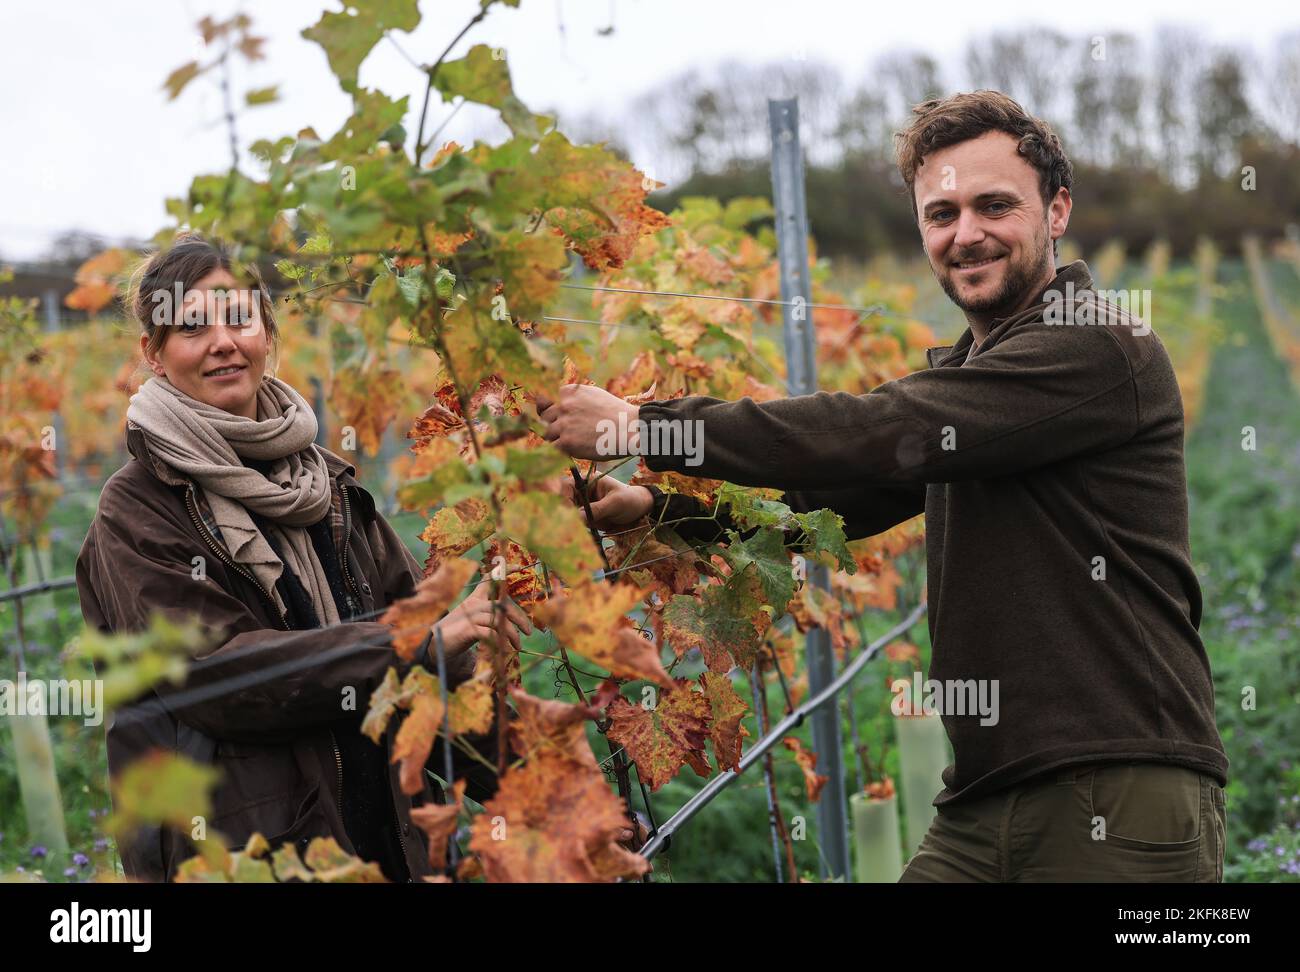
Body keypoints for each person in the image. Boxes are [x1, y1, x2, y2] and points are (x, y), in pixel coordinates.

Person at [537, 91, 1229, 882]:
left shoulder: (1096, 344)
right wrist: (659, 509)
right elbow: (834, 508)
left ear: (1057, 209)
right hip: (983, 795)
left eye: (994, 205)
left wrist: (646, 426)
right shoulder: (977, 378)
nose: (965, 234)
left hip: (1117, 786)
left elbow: (877, 429)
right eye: (942, 213)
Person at [75, 234, 531, 882]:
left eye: (239, 318)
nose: (223, 342)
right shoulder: (137, 509)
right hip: (245, 858)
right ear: (154, 353)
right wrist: (410, 643)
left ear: (267, 331)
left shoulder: (329, 486)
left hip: (390, 839)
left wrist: (554, 799)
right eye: (191, 328)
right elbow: (214, 676)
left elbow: (432, 655)